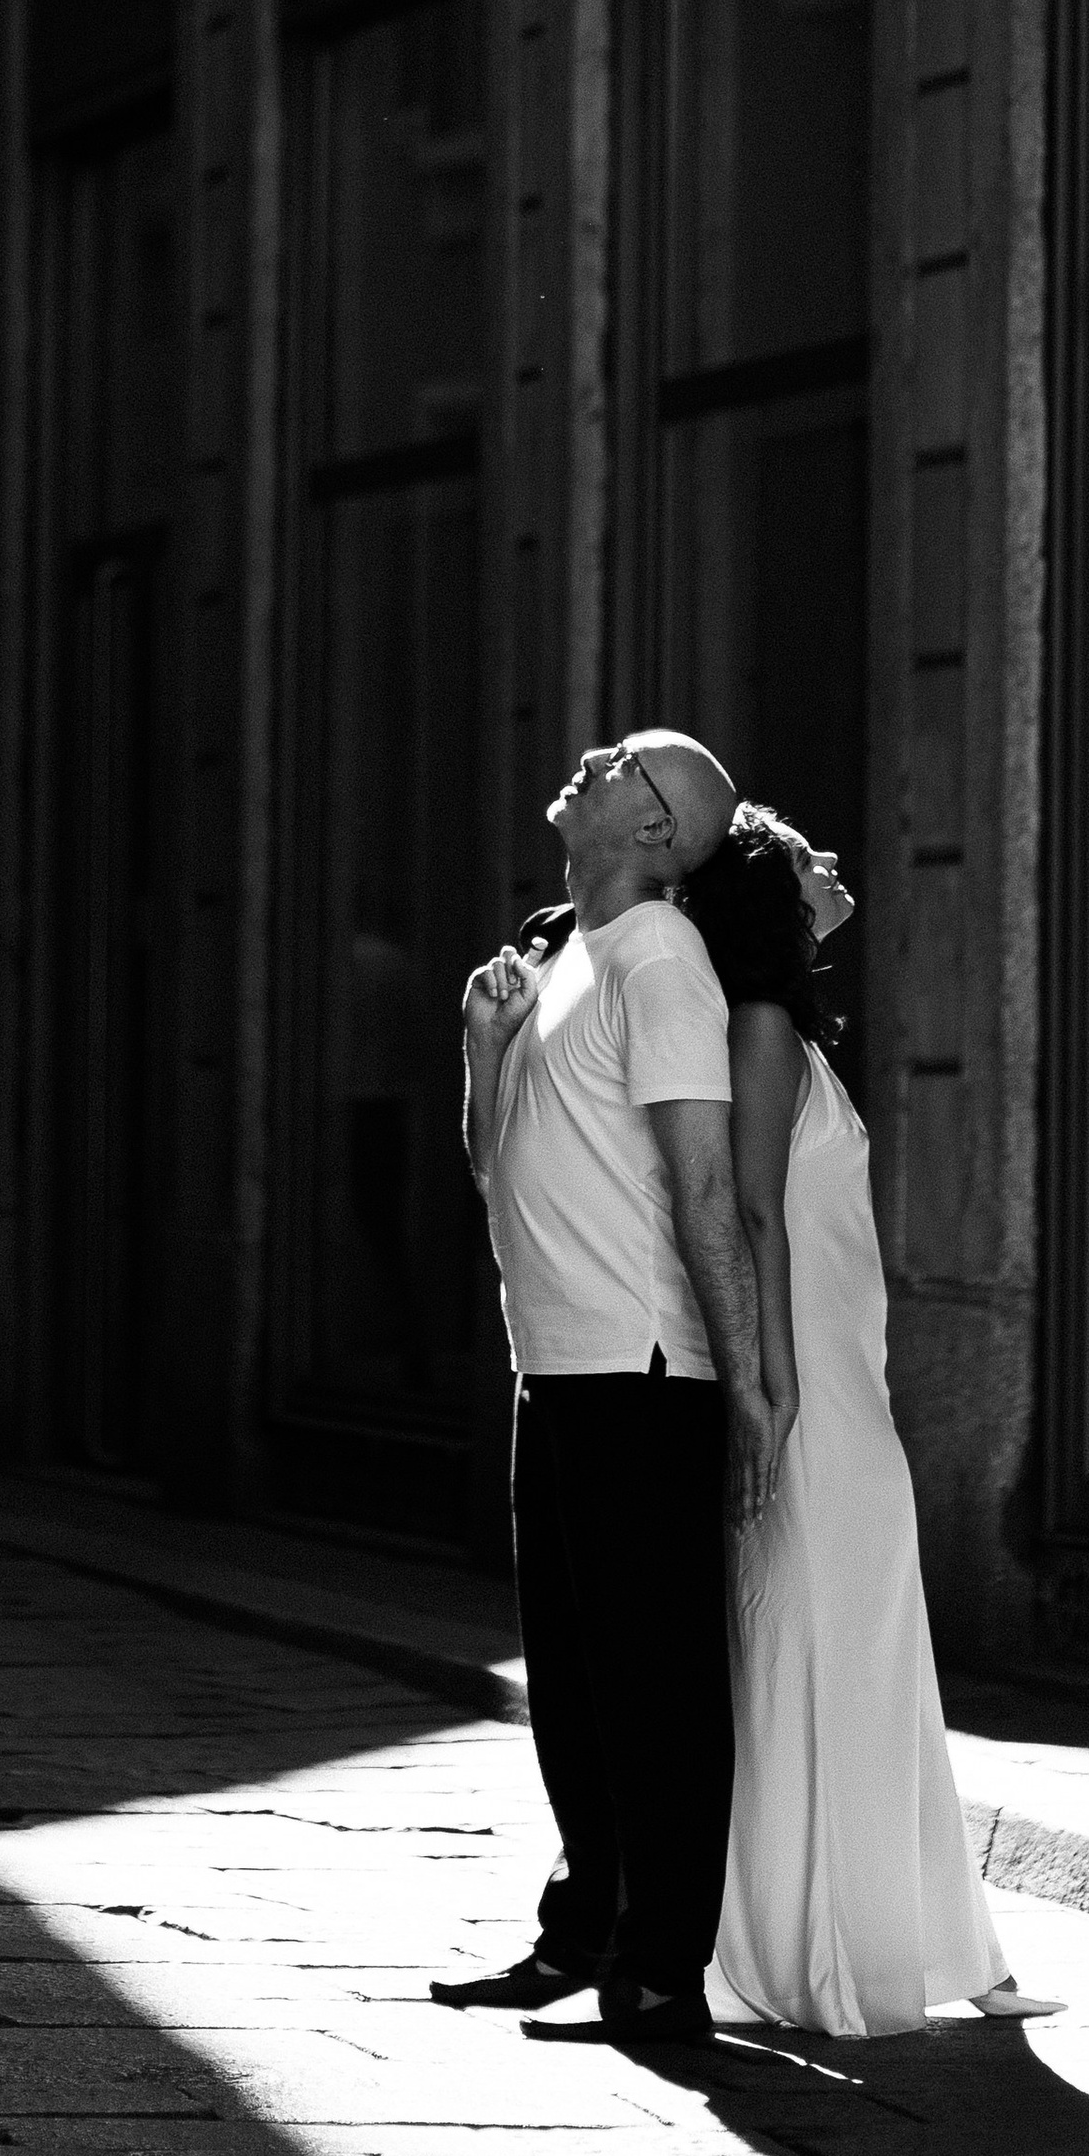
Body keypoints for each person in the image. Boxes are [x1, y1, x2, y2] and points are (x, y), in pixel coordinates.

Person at [682, 804, 1055, 2037]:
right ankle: (805, 1949)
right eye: (805, 856)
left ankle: (928, 1940)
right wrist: (772, 1386)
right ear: (772, 898)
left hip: (841, 1380)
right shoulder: (759, 1024)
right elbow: (749, 1212)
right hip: (810, 1391)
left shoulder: (785, 1028)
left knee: (870, 1646)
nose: (833, 863)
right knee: (816, 1641)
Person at [434, 731, 774, 2050]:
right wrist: (485, 1048)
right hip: (556, 1362)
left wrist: (743, 1383)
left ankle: (662, 1970)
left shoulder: (661, 960)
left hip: (641, 1368)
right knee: (575, 1685)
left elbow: (704, 1184)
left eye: (624, 760)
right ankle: (581, 1937)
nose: (589, 755)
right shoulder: (559, 949)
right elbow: (498, 1163)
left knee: (654, 1686)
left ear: (655, 830)